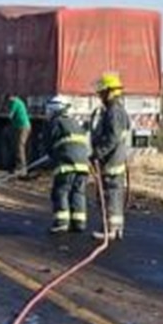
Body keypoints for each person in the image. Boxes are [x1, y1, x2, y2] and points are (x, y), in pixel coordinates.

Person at [90, 72, 133, 239]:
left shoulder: (114, 111)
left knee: (110, 194)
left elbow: (112, 137)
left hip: (112, 161)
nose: (100, 95)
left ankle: (110, 230)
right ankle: (116, 228)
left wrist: (97, 153)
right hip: (116, 158)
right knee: (114, 193)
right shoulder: (117, 109)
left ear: (110, 91)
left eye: (102, 92)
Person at [44, 96, 93, 233]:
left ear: (54, 109)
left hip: (67, 164)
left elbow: (49, 143)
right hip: (83, 165)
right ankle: (79, 223)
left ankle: (61, 222)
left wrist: (51, 156)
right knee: (78, 192)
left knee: (61, 191)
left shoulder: (55, 123)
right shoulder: (75, 123)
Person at [7, 94, 32, 175]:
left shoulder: (15, 103)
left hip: (22, 127)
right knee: (18, 146)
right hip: (23, 126)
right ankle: (18, 166)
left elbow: (10, 115)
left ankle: (22, 168)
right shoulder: (20, 102)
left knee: (20, 146)